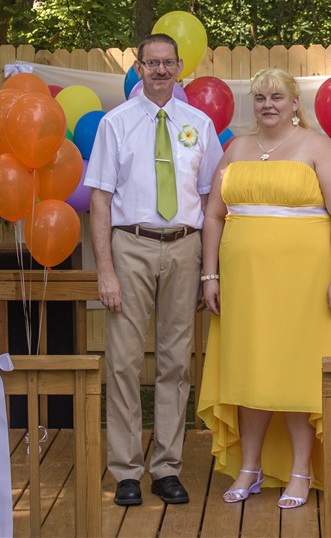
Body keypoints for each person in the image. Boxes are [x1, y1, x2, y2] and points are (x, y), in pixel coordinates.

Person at [197, 67, 331, 509]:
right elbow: (213, 215)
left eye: (277, 97)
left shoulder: (317, 147)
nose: (268, 105)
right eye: (260, 97)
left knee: (295, 373)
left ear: (294, 104)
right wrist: (210, 275)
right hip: (245, 285)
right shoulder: (236, 148)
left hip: (304, 285)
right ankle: (249, 467)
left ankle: (301, 470)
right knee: (250, 369)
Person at [84, 33, 223, 507]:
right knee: (124, 361)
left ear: (180, 67)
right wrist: (105, 271)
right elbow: (99, 201)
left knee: (175, 362)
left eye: (168, 63)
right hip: (131, 246)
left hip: (184, 248)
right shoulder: (115, 124)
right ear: (139, 68)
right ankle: (126, 471)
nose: (161, 70)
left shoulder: (199, 124)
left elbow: (211, 201)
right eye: (152, 63)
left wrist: (209, 270)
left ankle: (166, 468)